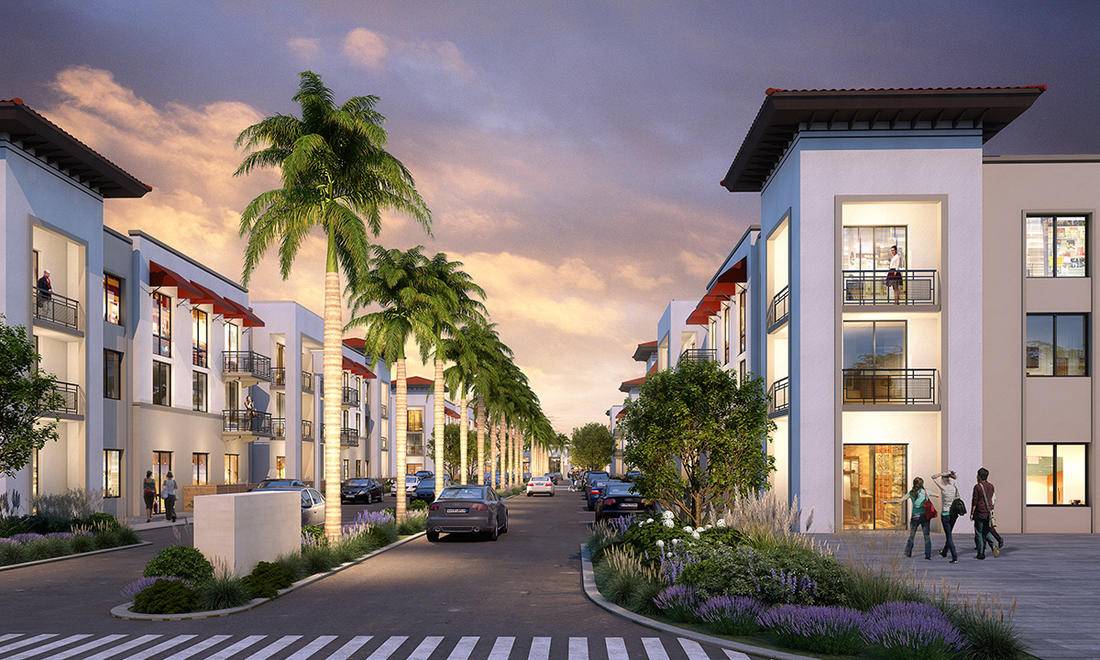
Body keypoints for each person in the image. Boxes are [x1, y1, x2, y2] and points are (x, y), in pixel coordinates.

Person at [888, 477, 933, 559]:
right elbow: (937, 495)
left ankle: (908, 553)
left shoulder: (911, 493)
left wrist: (887, 501)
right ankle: (928, 555)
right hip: (924, 517)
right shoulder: (925, 492)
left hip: (915, 517)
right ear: (922, 484)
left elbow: (900, 500)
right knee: (927, 536)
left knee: (912, 536)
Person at [932, 470, 961, 563]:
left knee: (949, 536)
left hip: (945, 514)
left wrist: (941, 474)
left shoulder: (943, 488)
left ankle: (954, 557)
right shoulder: (954, 487)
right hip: (953, 515)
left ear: (944, 479)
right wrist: (950, 474)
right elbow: (955, 478)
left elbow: (933, 477)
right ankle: (944, 552)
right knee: (949, 533)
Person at [971, 467, 996, 560]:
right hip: (988, 512)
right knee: (986, 531)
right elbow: (992, 499)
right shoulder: (991, 486)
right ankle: (994, 545)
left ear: (979, 476)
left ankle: (981, 553)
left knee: (979, 532)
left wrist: (972, 513)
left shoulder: (977, 487)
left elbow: (975, 501)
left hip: (979, 512)